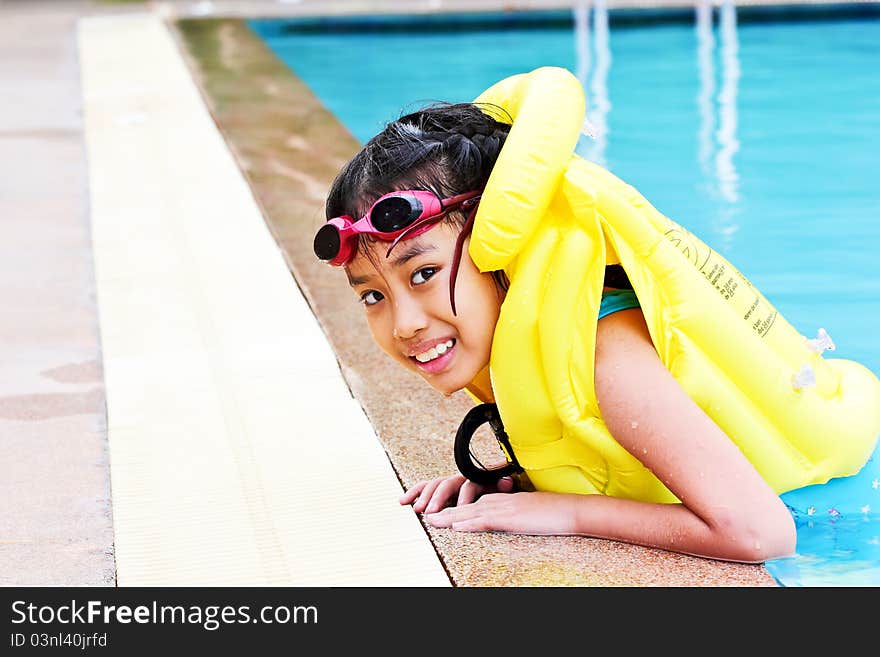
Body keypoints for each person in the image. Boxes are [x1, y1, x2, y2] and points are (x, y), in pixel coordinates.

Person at [314, 67, 880, 565]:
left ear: (500, 241)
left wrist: (570, 512)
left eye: (423, 274)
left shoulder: (606, 356)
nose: (405, 323)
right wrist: (512, 483)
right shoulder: (527, 335)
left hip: (835, 519)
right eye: (373, 296)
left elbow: (763, 534)